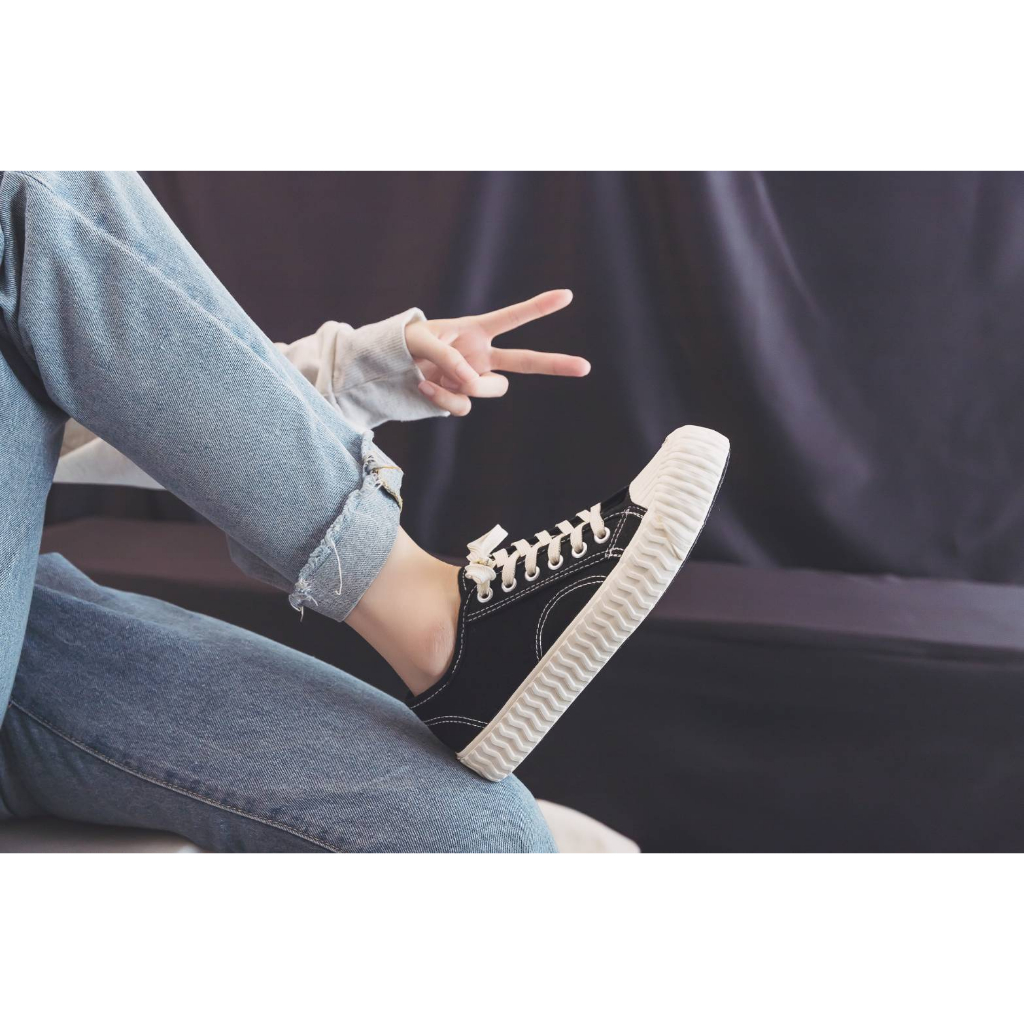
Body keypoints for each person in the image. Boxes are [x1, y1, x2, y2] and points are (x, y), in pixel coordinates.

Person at [0, 171, 727, 851]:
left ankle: (454, 645)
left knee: (480, 835)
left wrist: (362, 368)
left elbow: (72, 400)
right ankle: (430, 613)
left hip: (28, 618)